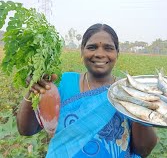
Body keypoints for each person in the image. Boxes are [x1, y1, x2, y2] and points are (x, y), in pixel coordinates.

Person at [16, 23, 158, 158]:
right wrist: (33, 90)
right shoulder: (63, 82)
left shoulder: (128, 91)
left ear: (117, 53)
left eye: (108, 48)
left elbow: (143, 149)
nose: (100, 54)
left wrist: (141, 106)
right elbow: (27, 130)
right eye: (92, 47)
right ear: (82, 51)